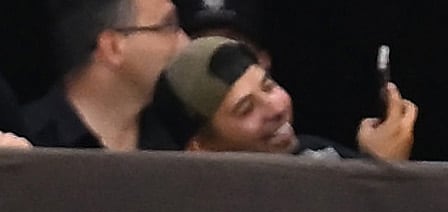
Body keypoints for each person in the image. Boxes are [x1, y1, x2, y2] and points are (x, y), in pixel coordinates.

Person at [154, 36, 418, 160]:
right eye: (246, 109)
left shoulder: (317, 155)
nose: (276, 108)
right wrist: (382, 173)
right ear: (201, 147)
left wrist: (373, 165)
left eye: (268, 86)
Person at [23, 0, 187, 151]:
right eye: (168, 26)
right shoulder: (27, 143)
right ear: (113, 47)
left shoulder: (177, 135)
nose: (184, 41)